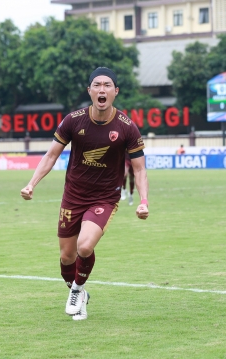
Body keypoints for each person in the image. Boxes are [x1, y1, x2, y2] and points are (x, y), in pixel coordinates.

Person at [20, 67, 149, 321]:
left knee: (85, 245)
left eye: (108, 85)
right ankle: (79, 292)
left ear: (115, 92)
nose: (102, 89)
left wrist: (144, 201)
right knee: (67, 257)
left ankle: (77, 290)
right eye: (97, 85)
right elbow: (51, 155)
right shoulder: (73, 120)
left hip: (104, 198)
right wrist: (31, 183)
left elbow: (140, 168)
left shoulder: (127, 127)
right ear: (89, 90)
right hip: (73, 196)